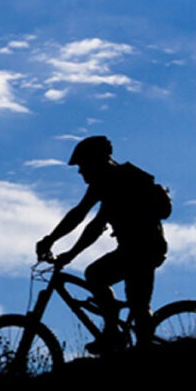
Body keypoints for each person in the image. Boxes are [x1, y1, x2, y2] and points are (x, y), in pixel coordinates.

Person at [35, 136, 168, 354]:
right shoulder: (106, 181)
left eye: (82, 165)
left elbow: (95, 226)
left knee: (101, 278)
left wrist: (69, 253)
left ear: (94, 161)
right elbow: (78, 214)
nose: (80, 172)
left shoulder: (116, 181)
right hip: (139, 247)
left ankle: (119, 337)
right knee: (123, 292)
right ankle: (120, 334)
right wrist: (51, 240)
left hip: (142, 248)